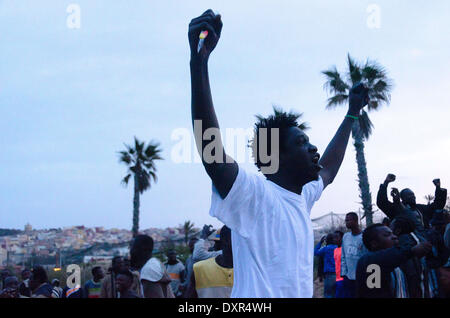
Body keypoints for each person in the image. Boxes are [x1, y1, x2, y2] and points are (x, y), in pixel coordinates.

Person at [188, 9, 370, 298]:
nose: (313, 148)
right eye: (301, 143)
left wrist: (351, 113)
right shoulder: (256, 196)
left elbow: (329, 170)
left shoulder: (302, 197)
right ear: (278, 156)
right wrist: (199, 62)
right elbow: (212, 153)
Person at [356, 224, 432, 298]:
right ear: (374, 244)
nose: (395, 237)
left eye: (393, 234)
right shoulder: (369, 262)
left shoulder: (397, 262)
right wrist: (412, 251)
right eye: (387, 235)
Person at [377, 174, 447, 236]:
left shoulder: (421, 208)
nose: (412, 197)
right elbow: (382, 202)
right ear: (402, 198)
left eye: (413, 195)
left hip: (427, 240)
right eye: (409, 195)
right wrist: (386, 183)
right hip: (408, 243)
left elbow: (438, 205)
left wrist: (438, 188)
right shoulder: (396, 209)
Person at [187, 226, 233, 298]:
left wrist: (203, 237)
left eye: (217, 242)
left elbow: (198, 254)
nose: (214, 245)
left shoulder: (224, 254)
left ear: (225, 242)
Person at [341, 212, 367, 298]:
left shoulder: (364, 237)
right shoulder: (346, 236)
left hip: (362, 278)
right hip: (348, 277)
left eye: (349, 220)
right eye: (346, 220)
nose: (346, 222)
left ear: (356, 221)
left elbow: (368, 258)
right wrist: (344, 273)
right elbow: (343, 256)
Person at [314, 233, 339, 298]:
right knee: (336, 294)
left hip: (329, 275)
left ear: (327, 240)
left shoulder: (325, 249)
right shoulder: (338, 248)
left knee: (328, 294)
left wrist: (320, 243)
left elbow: (315, 252)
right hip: (338, 274)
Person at [333, 231, 345, 298]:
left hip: (343, 278)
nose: (335, 239)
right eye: (334, 238)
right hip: (337, 278)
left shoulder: (344, 249)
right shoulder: (335, 250)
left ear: (342, 238)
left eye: (337, 237)